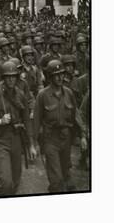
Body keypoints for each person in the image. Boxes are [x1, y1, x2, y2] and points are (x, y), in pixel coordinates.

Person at [0, 61, 37, 196]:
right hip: (1, 141)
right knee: (6, 182)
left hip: (17, 140)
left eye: (13, 76)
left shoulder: (20, 94)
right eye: (8, 77)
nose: (11, 79)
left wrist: (31, 145)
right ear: (3, 78)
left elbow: (27, 120)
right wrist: (0, 121)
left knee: (16, 181)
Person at [33, 60, 86, 193]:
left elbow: (76, 116)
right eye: (56, 75)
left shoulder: (68, 93)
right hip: (50, 139)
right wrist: (33, 144)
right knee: (56, 178)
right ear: (50, 77)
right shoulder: (42, 95)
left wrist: (83, 135)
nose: (60, 77)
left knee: (64, 171)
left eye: (61, 74)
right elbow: (36, 121)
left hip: (66, 138)